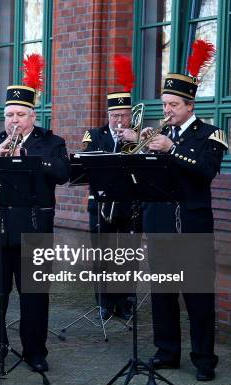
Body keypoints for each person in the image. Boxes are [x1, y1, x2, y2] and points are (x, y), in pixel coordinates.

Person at [0, 84, 70, 372]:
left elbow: (64, 173)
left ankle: (35, 352)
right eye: (9, 115)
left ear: (32, 116)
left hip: (34, 231)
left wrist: (30, 158)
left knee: (35, 297)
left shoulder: (51, 142)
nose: (13, 120)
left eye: (19, 114)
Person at [143, 62, 227, 382]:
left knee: (198, 297)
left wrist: (172, 148)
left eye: (174, 105)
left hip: (193, 228)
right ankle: (167, 353)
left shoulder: (211, 134)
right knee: (163, 296)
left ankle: (204, 358)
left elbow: (206, 170)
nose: (167, 111)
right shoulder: (159, 132)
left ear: (190, 105)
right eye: (165, 105)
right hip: (160, 226)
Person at [81, 90, 140, 321]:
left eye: (124, 115)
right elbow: (87, 163)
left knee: (127, 256)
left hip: (129, 205)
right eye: (115, 115)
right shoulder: (94, 134)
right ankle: (104, 303)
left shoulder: (137, 135)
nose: (119, 120)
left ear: (130, 116)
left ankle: (125, 302)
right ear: (108, 114)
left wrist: (134, 143)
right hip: (101, 205)